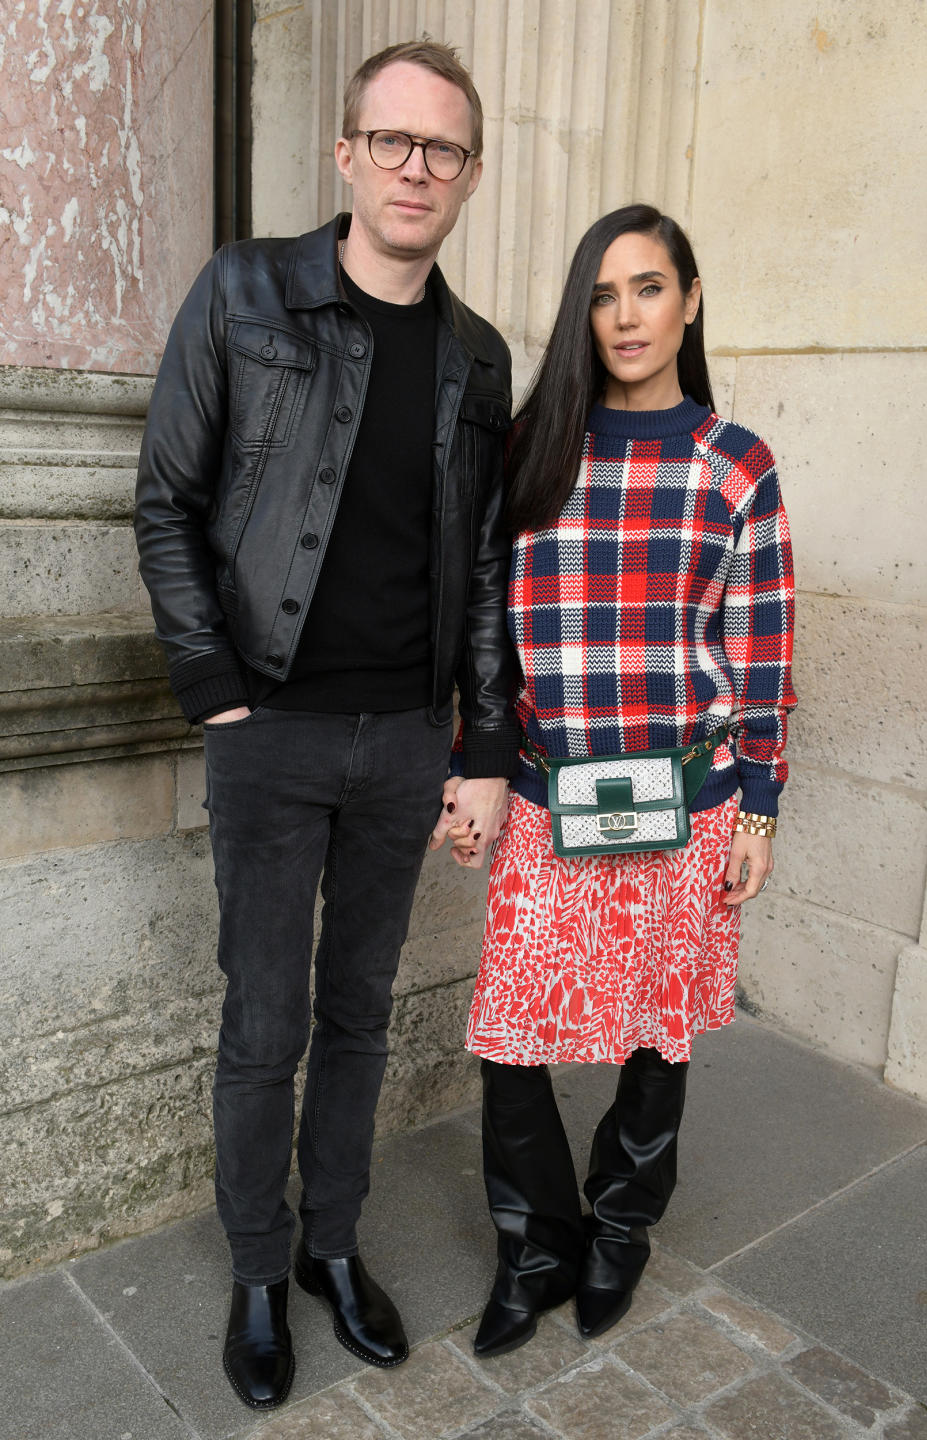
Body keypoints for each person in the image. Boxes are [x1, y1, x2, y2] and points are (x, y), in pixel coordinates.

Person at [135, 40, 518, 1411]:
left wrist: (478, 749)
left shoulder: (480, 355)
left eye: (446, 149)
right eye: (395, 141)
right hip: (272, 735)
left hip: (406, 741)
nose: (419, 168)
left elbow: (480, 567)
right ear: (346, 153)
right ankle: (255, 1269)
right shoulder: (246, 289)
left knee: (359, 1014)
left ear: (470, 175)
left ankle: (331, 1250)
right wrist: (217, 695)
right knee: (264, 1020)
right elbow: (168, 499)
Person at [433, 203, 797, 1357]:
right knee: (511, 1028)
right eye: (603, 292)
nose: (625, 315)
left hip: (687, 804)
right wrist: (472, 764)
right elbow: (482, 621)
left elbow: (764, 645)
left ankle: (618, 1235)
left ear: (688, 301)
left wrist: (763, 804)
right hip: (549, 797)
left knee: (654, 1032)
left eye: (648, 288)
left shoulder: (735, 464)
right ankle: (534, 1246)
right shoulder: (536, 440)